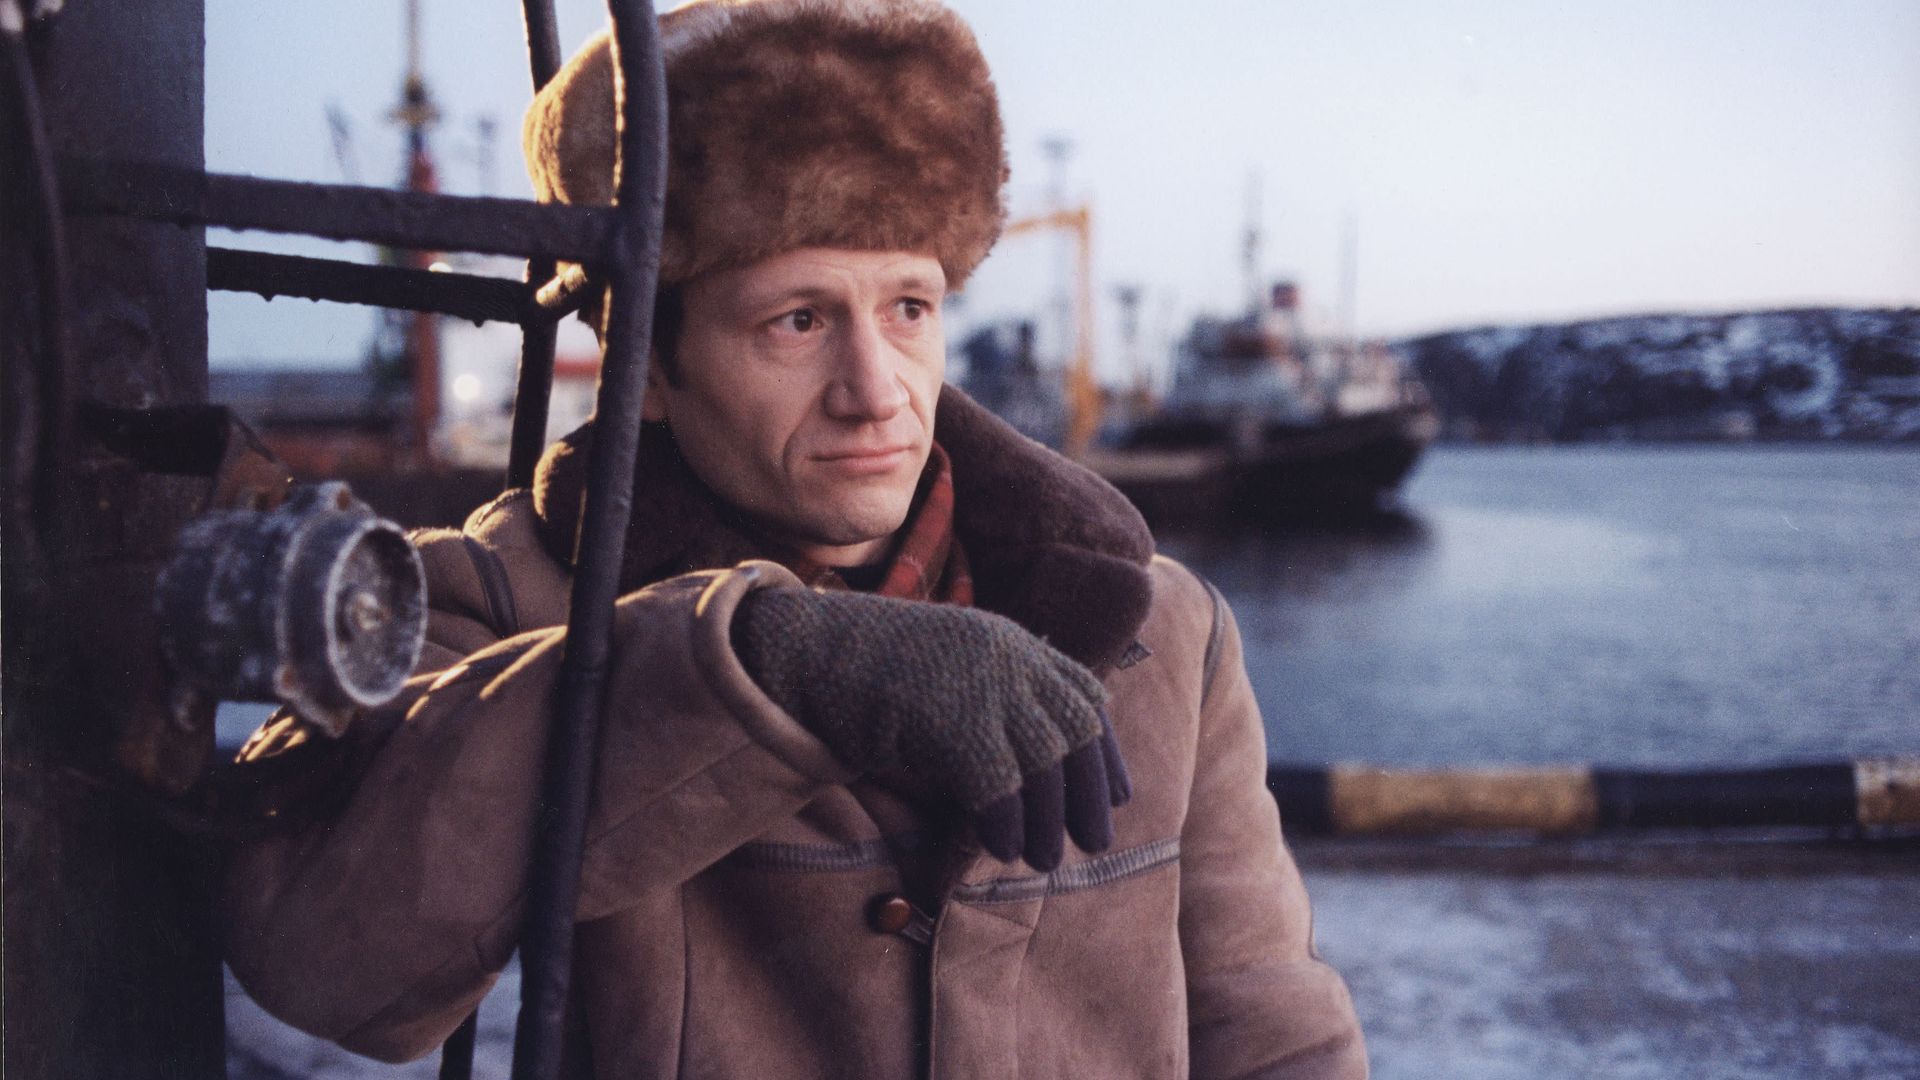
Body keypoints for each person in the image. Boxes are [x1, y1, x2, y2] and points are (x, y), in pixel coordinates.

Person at [223, 1, 1367, 1076]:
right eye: (799, 319)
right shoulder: (517, 601)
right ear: (649, 366)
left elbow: (1275, 1033)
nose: (876, 391)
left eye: (909, 308)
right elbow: (317, 958)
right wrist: (761, 665)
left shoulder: (1169, 639)